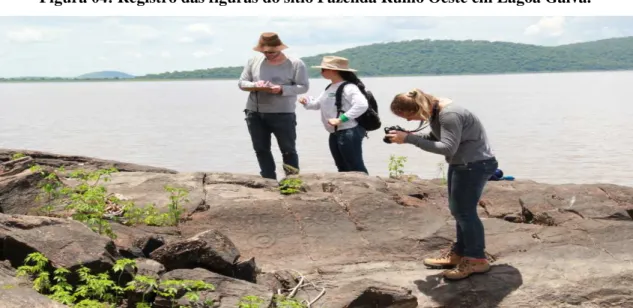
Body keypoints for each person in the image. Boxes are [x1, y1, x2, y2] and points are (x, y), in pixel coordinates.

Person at [385, 88, 498, 281]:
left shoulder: (449, 114)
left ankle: (477, 259)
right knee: (459, 211)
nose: (408, 121)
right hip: (462, 164)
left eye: (407, 117)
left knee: (464, 212)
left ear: (417, 108)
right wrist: (407, 135)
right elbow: (439, 138)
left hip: (473, 165)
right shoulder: (436, 111)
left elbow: (447, 147)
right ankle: (460, 253)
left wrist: (410, 138)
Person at [238, 32, 309, 180]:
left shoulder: (296, 63)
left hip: (283, 113)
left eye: (271, 52)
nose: (268, 54)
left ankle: (292, 181)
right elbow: (242, 83)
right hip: (255, 113)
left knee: (288, 150)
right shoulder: (253, 61)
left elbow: (303, 87)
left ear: (280, 48)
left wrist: (282, 89)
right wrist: (255, 85)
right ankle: (268, 180)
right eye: (264, 52)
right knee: (261, 149)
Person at [298, 56, 369, 174]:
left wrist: (341, 119)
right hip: (334, 133)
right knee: (341, 166)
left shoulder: (349, 87)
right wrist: (306, 102)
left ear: (334, 71)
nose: (321, 72)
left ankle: (368, 191)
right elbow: (316, 104)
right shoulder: (330, 87)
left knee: (355, 165)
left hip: (348, 131)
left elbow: (362, 105)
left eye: (323, 69)